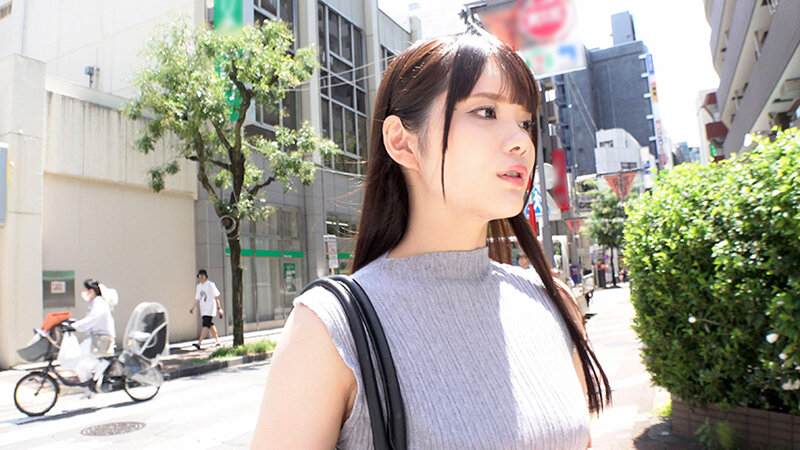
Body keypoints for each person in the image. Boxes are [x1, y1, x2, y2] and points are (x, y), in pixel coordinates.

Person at [252, 34, 610, 448]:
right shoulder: (328, 328)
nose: (522, 141)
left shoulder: (551, 301)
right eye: (486, 111)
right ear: (402, 142)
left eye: (525, 122)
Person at [72, 279, 116, 396]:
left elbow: (93, 318)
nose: (82, 292)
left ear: (91, 291)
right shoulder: (94, 302)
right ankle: (90, 387)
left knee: (76, 358)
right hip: (96, 338)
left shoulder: (99, 302)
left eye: (84, 289)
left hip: (102, 339)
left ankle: (104, 365)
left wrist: (75, 326)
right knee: (77, 361)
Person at [190, 269, 222, 349]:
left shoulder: (210, 285)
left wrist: (219, 308)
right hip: (203, 309)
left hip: (210, 308)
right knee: (210, 324)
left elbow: (216, 297)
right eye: (200, 275)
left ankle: (199, 343)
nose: (201, 277)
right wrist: (193, 308)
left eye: (202, 275)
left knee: (205, 324)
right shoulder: (199, 286)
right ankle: (217, 340)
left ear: (206, 276)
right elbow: (197, 298)